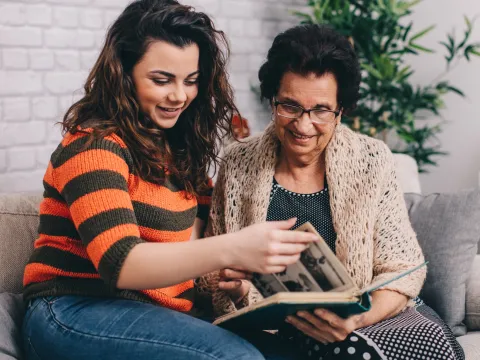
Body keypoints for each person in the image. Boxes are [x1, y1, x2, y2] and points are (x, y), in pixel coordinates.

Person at [21, 1, 319, 359]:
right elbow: (120, 262)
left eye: (190, 81)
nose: (179, 96)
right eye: (162, 80)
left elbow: (202, 237)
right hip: (72, 309)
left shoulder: (178, 150)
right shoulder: (93, 145)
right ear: (124, 72)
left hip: (158, 312)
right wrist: (234, 246)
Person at [205, 24, 465, 360]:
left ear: (341, 109)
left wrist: (358, 319)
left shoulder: (373, 159)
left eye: (321, 111)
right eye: (290, 106)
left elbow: (403, 268)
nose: (303, 125)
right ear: (273, 100)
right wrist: (239, 290)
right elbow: (214, 268)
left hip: (368, 320)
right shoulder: (238, 161)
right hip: (278, 330)